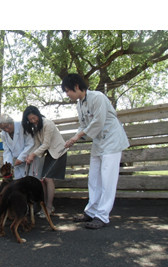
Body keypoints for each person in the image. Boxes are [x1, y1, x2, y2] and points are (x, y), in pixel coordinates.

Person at [62, 73, 130, 229]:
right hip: (99, 143)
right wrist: (74, 138)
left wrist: (78, 135)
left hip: (112, 141)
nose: (67, 94)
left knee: (107, 180)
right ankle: (91, 212)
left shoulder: (97, 97)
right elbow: (82, 125)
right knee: (93, 178)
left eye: (67, 90)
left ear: (77, 86)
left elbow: (98, 122)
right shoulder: (79, 104)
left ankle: (102, 216)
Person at [22, 105, 67, 218]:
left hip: (59, 152)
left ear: (38, 114)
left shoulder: (48, 124)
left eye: (34, 118)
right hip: (50, 153)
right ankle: (44, 206)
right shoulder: (35, 127)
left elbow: (46, 144)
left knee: (48, 179)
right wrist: (29, 155)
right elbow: (37, 144)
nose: (33, 121)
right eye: (30, 119)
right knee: (42, 180)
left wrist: (33, 154)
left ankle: (49, 207)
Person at [0, 114, 34, 179]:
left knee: (31, 182)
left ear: (11, 122)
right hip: (16, 163)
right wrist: (8, 164)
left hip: (29, 159)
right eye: (3, 128)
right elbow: (7, 150)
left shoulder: (22, 126)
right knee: (18, 183)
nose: (6, 129)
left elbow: (30, 144)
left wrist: (21, 158)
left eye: (7, 126)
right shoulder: (3, 134)